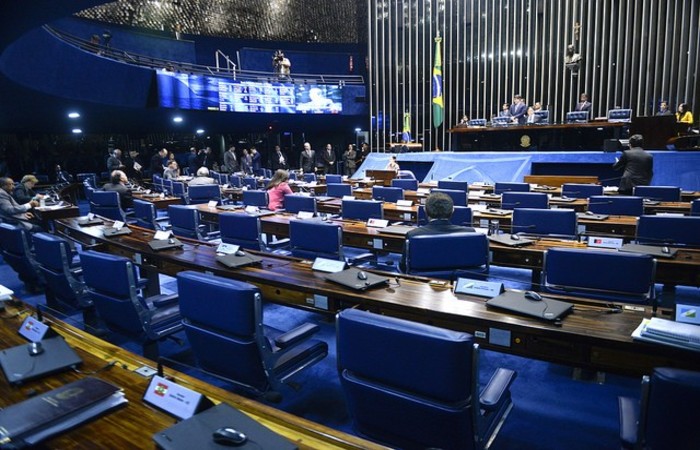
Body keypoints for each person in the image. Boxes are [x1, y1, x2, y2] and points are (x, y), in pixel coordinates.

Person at [400, 192, 475, 271]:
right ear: (453, 211)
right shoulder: (470, 233)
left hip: (423, 279)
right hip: (461, 280)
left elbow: (404, 266)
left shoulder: (413, 235)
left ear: (425, 210)